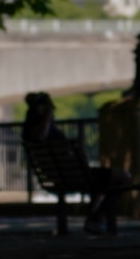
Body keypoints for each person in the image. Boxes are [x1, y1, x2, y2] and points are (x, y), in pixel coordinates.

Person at [21, 92, 132, 234]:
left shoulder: (27, 131)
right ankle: (96, 217)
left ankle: (95, 217)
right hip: (74, 176)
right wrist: (47, 118)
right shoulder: (44, 130)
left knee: (104, 183)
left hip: (61, 176)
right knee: (124, 176)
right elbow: (41, 137)